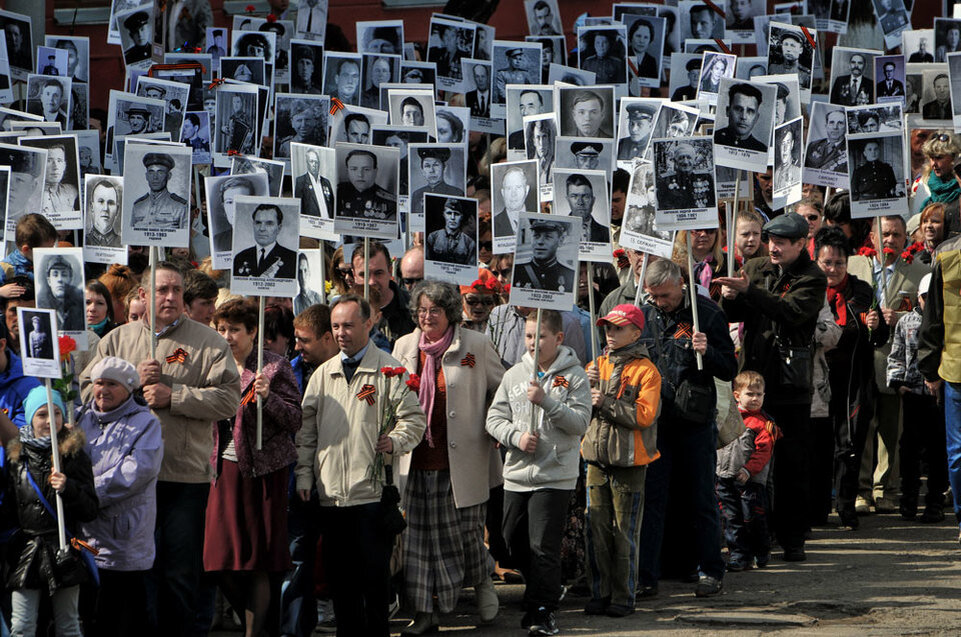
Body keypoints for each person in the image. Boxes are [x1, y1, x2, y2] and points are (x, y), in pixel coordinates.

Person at [80, 261, 242, 636]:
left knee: (179, 573)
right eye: (161, 290)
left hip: (182, 476)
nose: (170, 297)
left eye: (177, 291)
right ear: (142, 295)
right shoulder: (116, 341)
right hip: (128, 481)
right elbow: (87, 393)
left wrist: (176, 396)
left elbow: (228, 400)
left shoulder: (208, 342)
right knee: (137, 573)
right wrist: (128, 381)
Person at [295, 294, 427, 636]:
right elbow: (307, 434)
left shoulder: (389, 370)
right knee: (342, 588)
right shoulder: (323, 374)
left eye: (349, 325)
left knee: (374, 585)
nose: (341, 333)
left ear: (368, 324)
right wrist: (305, 476)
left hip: (371, 497)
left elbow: (413, 421)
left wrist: (394, 441)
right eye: (336, 326)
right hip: (332, 498)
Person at [391, 282, 504, 634]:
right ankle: (425, 613)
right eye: (422, 310)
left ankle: (483, 580)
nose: (427, 317)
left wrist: (494, 421)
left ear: (451, 313)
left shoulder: (476, 345)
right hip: (416, 460)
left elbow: (500, 390)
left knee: (466, 535)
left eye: (435, 311)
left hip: (464, 461)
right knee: (418, 540)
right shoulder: (405, 346)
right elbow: (392, 398)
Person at [717, 212, 828, 561]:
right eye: (770, 240)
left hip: (791, 384)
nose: (773, 248)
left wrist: (749, 292)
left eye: (781, 242)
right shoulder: (755, 267)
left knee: (792, 464)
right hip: (754, 381)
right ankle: (749, 539)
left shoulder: (812, 277)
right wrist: (729, 297)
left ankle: (793, 538)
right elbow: (733, 316)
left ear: (801, 244)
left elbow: (791, 312)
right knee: (747, 461)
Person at [482, 309, 589, 635]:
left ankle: (542, 610)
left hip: (554, 475)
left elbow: (580, 423)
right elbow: (493, 419)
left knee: (543, 545)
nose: (533, 342)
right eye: (529, 336)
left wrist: (547, 402)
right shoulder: (514, 374)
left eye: (540, 336)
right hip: (516, 475)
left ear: (558, 338)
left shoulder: (574, 376)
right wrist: (515, 437)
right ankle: (544, 586)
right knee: (511, 540)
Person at [636, 259, 736, 597]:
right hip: (657, 421)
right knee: (653, 499)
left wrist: (707, 352)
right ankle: (646, 575)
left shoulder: (706, 314)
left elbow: (729, 369)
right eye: (653, 296)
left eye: (664, 295)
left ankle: (711, 570)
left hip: (694, 421)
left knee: (701, 499)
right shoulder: (646, 314)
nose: (659, 302)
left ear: (681, 283)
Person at [205, 299, 302, 637]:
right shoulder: (213, 364)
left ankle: (256, 633)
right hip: (222, 470)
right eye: (221, 329)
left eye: (234, 330)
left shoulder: (273, 366)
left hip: (262, 472)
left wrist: (268, 399)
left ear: (252, 331)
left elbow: (295, 417)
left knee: (258, 560)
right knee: (217, 560)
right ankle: (256, 621)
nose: (227, 336)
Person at [579, 304, 660, 617]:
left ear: (636, 333)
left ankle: (624, 596)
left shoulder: (647, 370)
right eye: (608, 328)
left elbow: (645, 415)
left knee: (625, 533)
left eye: (618, 328)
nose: (610, 334)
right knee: (595, 529)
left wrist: (606, 401)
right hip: (596, 459)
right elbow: (575, 406)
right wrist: (583, 387)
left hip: (629, 462)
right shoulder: (595, 364)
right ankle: (600, 592)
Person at [78, 356, 164, 637]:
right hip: (86, 535)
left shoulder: (146, 424)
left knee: (124, 614)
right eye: (98, 383)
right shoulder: (79, 418)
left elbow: (134, 472)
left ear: (129, 388)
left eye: (111, 384)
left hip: (123, 537)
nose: (102, 390)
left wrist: (86, 493)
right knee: (92, 613)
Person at [5, 387, 99, 637]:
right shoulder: (17, 457)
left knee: (68, 624)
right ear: (30, 418)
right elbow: (11, 508)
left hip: (63, 549)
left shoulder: (73, 455)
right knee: (22, 626)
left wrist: (68, 488)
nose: (49, 421)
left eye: (56, 413)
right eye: (42, 414)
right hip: (27, 550)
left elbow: (91, 509)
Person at [813, 226, 885, 529]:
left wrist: (876, 324)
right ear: (816, 260)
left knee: (849, 444)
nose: (833, 269)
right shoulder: (810, 290)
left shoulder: (862, 291)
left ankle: (846, 506)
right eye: (827, 262)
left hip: (852, 381)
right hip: (817, 380)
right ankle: (816, 510)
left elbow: (878, 337)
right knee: (817, 446)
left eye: (839, 263)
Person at [887, 273, 948, 522]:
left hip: (940, 395)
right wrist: (898, 383)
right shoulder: (906, 322)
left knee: (938, 450)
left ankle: (935, 502)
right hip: (913, 394)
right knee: (909, 449)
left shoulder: (948, 322)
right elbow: (896, 354)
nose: (929, 302)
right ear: (918, 298)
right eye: (925, 298)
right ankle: (908, 500)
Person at [716, 371, 780, 571]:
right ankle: (738, 556)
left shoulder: (763, 423)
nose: (754, 399)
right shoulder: (726, 416)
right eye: (750, 394)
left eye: (759, 395)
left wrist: (748, 469)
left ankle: (761, 550)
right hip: (723, 477)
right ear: (737, 395)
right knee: (731, 519)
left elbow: (763, 452)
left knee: (752, 519)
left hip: (749, 482)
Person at [233, 203, 298, 278]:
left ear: (279, 228)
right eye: (258, 223)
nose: (262, 228)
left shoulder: (292, 259)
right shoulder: (240, 258)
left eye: (269, 223)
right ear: (253, 225)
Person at [513, 218, 576, 292]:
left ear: (560, 240)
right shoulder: (516, 272)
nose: (540, 242)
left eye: (547, 237)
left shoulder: (570, 275)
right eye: (536, 236)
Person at [130, 152, 188, 231]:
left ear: (169, 176)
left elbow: (184, 239)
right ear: (146, 176)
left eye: (160, 172)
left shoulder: (180, 206)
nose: (155, 177)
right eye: (151, 172)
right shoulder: (138, 206)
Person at [336, 149, 396, 220]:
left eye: (366, 169)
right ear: (347, 171)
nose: (360, 175)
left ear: (375, 171)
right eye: (354, 169)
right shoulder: (338, 193)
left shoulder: (390, 203)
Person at [656, 142, 715, 210]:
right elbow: (663, 207)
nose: (685, 162)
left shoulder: (705, 177)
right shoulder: (665, 180)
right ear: (675, 161)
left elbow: (712, 204)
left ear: (694, 160)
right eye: (681, 158)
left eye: (689, 157)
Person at [714, 83, 767, 151]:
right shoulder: (713, 139)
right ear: (728, 111)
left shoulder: (762, 149)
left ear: (756, 118)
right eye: (738, 109)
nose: (743, 117)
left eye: (750, 111)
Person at [411, 147, 463, 217]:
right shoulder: (417, 195)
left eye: (435, 165)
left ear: (444, 168)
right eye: (427, 166)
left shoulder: (457, 193)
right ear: (422, 171)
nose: (432, 170)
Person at [38, 255, 84, 331]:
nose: (60, 279)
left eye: (64, 275)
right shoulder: (41, 306)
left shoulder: (80, 306)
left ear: (70, 279)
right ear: (49, 281)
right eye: (55, 275)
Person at [425, 197, 476, 265]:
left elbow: (471, 268)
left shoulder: (469, 242)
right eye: (449, 213)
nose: (452, 218)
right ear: (444, 215)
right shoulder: (433, 237)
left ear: (461, 216)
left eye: (456, 214)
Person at [212, 176, 256, 253]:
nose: (235, 207)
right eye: (229, 202)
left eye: (240, 201)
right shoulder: (217, 242)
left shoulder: (264, 239)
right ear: (224, 207)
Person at [39, 142, 79, 218]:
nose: (56, 167)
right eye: (49, 161)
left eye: (59, 161)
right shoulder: (32, 195)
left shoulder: (71, 191)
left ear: (64, 165)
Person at [565, 174, 608, 243]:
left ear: (593, 201)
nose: (580, 202)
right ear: (568, 200)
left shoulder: (607, 233)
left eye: (585, 197)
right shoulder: (558, 231)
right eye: (574, 196)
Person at [294, 148, 334, 219]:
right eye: (311, 161)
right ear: (307, 163)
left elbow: (332, 205)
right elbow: (299, 208)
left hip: (328, 224)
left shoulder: (326, 182)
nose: (314, 164)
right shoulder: (301, 181)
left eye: (316, 162)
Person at [493, 166, 532, 237]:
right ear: (503, 192)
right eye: (508, 188)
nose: (513, 194)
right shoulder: (493, 225)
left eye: (518, 187)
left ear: (527, 190)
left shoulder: (539, 219)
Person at [805, 108, 848, 172]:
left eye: (840, 123)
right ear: (826, 126)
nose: (835, 127)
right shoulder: (813, 145)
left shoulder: (848, 149)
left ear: (846, 127)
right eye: (831, 122)